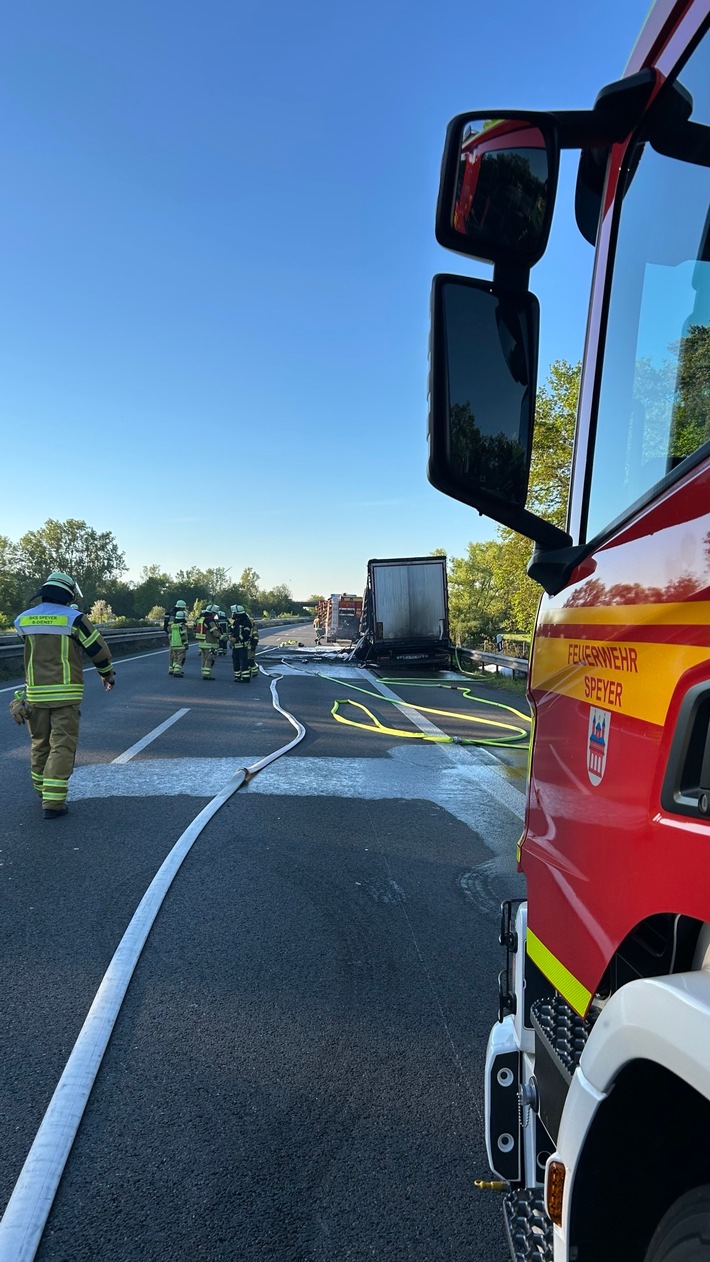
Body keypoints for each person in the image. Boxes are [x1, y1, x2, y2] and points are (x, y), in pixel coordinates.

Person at [13, 571, 115, 820]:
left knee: (40, 744)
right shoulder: (74, 619)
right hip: (66, 695)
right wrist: (107, 674)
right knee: (62, 745)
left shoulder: (23, 620)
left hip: (35, 695)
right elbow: (98, 650)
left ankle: (42, 790)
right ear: (68, 595)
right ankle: (53, 802)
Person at [194, 604, 221, 680]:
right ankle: (207, 675)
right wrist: (222, 637)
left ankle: (204, 673)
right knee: (209, 659)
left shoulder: (201, 619)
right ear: (212, 613)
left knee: (204, 658)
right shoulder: (210, 621)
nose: (215, 615)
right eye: (215, 613)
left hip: (202, 643)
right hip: (209, 643)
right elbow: (214, 632)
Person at [229, 605, 253, 683]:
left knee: (243, 662)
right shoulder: (236, 621)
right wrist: (231, 637)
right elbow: (233, 631)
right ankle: (237, 676)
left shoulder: (246, 622)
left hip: (243, 646)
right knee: (235, 662)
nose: (233, 615)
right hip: (235, 646)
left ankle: (246, 678)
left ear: (238, 613)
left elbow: (246, 634)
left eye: (234, 613)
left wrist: (236, 639)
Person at [167, 608, 189, 677]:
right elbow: (183, 636)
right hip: (180, 645)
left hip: (173, 645)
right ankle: (177, 672)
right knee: (180, 659)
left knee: (175, 659)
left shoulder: (173, 625)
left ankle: (174, 669)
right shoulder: (182, 626)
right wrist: (186, 644)